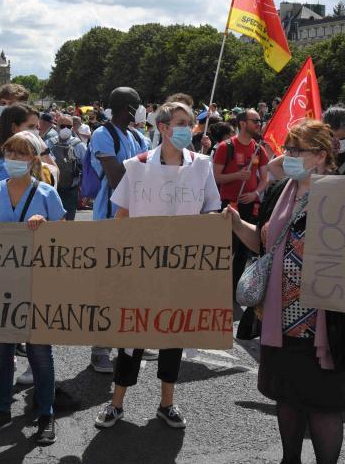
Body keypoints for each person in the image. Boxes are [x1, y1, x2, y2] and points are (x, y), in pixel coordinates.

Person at [223, 119, 345, 464]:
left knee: (325, 406)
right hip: (281, 323)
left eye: (297, 150)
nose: (289, 156)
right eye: (287, 149)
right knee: (288, 399)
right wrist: (235, 223)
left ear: (321, 155)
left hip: (327, 324)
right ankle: (289, 459)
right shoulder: (280, 192)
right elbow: (263, 244)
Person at [95, 102, 222, 431]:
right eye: (181, 123)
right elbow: (122, 215)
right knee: (132, 334)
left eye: (190, 123)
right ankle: (116, 403)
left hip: (182, 268)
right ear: (163, 128)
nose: (188, 129)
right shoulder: (137, 166)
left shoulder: (202, 165)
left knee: (174, 334)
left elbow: (211, 209)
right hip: (141, 268)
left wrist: (209, 224)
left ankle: (167, 403)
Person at [0, 132, 65, 444]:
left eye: (21, 154)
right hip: (2, 283)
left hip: (38, 283)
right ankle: (1, 409)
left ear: (33, 159)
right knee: (2, 351)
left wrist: (46, 226)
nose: (14, 160)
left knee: (40, 352)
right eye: (10, 154)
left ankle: (46, 412)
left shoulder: (47, 193)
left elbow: (64, 238)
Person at [87, 87, 148, 373]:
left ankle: (129, 342)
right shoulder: (103, 135)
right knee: (108, 288)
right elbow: (116, 178)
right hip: (110, 220)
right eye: (138, 104)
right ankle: (100, 348)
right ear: (127, 107)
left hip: (136, 219)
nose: (142, 109)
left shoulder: (137, 136)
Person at [213, 108, 269, 304]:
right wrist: (237, 175)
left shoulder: (259, 149)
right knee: (225, 248)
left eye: (260, 121)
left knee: (244, 252)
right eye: (256, 121)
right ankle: (216, 290)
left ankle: (234, 293)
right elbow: (216, 177)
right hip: (229, 205)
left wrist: (255, 193)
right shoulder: (225, 147)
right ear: (243, 123)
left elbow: (265, 179)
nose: (259, 124)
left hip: (249, 205)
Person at [49, 115, 86, 220]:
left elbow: (86, 167)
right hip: (52, 189)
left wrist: (85, 190)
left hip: (71, 189)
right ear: (57, 126)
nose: (65, 129)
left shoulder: (79, 145)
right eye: (62, 126)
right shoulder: (49, 143)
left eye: (68, 126)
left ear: (72, 127)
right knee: (51, 221)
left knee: (68, 222)